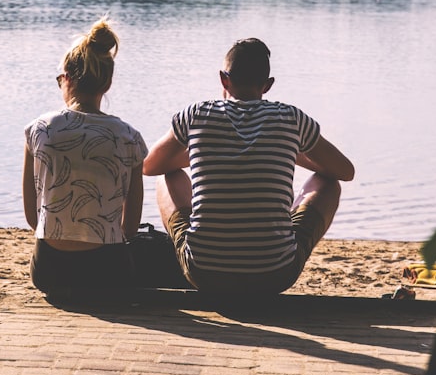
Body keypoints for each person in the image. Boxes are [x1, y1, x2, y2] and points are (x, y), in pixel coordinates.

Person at [143, 37, 355, 297]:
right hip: (276, 274)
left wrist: (205, 149)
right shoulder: (291, 118)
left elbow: (150, 166)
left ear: (223, 79)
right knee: (328, 183)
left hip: (204, 272)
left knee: (167, 177)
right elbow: (345, 171)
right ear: (267, 85)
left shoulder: (196, 114)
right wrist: (290, 149)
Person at [22, 16, 147, 301]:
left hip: (49, 270)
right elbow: (130, 228)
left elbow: (33, 218)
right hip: (108, 271)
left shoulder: (38, 129)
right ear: (108, 83)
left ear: (66, 78)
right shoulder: (129, 136)